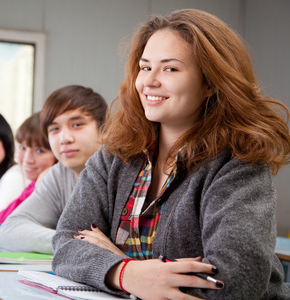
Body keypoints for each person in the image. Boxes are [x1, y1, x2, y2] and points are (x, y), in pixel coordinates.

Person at [52, 9, 290, 299]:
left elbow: (233, 281)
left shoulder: (239, 164)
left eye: (170, 68)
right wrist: (128, 273)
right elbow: (66, 244)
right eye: (145, 67)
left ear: (210, 82)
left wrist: (121, 265)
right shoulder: (114, 156)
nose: (149, 81)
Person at [0, 85, 107, 254]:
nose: (64, 138)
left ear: (104, 130)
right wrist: (74, 243)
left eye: (77, 124)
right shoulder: (59, 174)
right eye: (54, 129)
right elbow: (8, 233)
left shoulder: (122, 172)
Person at [0, 112, 57, 223]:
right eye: (22, 147)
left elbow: (0, 225)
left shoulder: (53, 186)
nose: (27, 159)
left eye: (39, 151)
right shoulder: (34, 184)